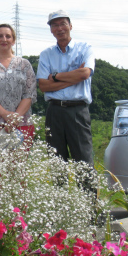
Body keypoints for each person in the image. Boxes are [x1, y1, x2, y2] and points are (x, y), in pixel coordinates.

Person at [36, 10, 95, 167]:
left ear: (70, 25)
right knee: (56, 159)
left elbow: (84, 74)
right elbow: (43, 85)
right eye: (55, 25)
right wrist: (72, 78)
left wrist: (55, 76)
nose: (59, 28)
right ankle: (59, 192)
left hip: (77, 110)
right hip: (54, 110)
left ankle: (86, 193)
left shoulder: (85, 48)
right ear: (51, 30)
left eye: (63, 23)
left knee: (83, 159)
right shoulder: (46, 54)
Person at [0, 24, 37, 148]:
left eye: (8, 36)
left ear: (13, 40)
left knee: (18, 166)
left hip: (22, 124)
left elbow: (29, 94)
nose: (4, 39)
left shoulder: (25, 64)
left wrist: (15, 118)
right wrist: (6, 115)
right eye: (0, 36)